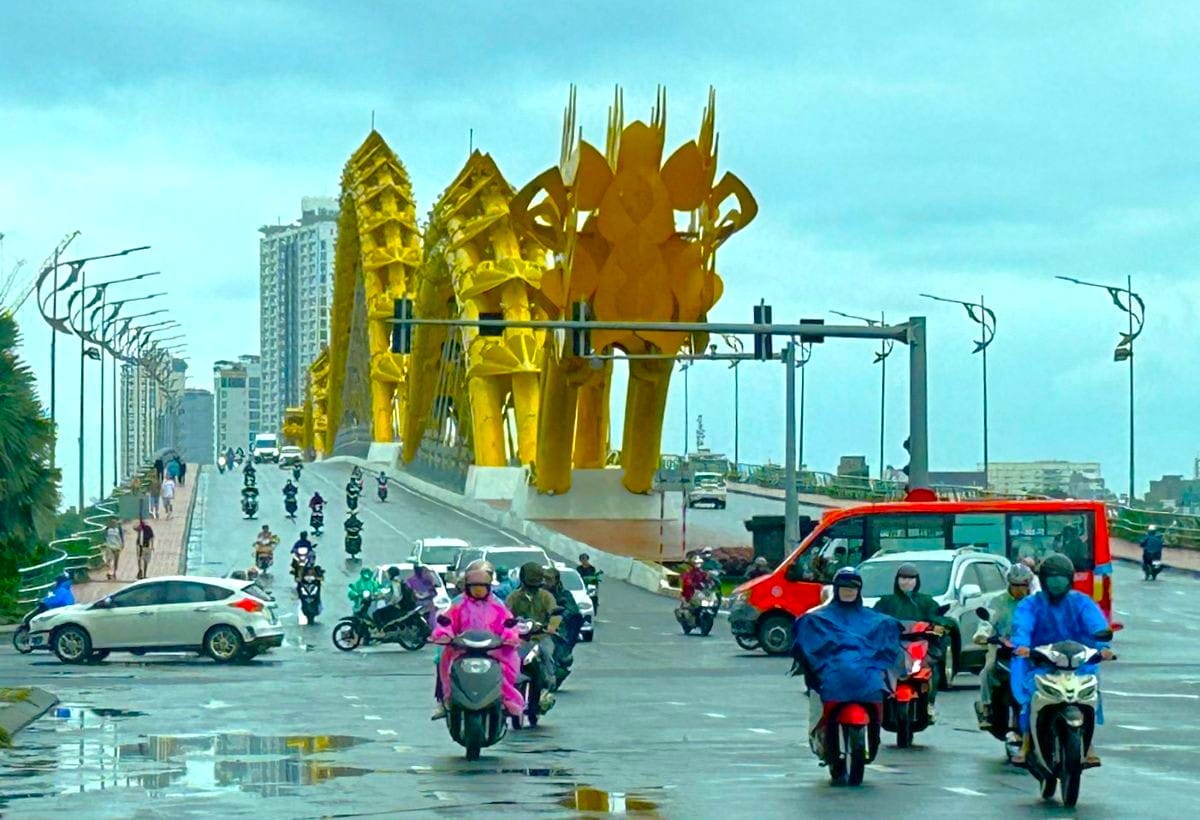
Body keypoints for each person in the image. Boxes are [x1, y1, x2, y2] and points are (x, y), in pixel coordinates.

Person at [1011, 553, 1114, 767]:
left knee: (1092, 691)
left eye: (1061, 579)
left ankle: (1089, 742)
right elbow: (1022, 626)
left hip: (1078, 663)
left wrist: (1103, 647)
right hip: (1042, 662)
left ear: (1069, 580)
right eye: (1052, 579)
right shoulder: (1031, 604)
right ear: (1044, 580)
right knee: (1031, 695)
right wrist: (1022, 646)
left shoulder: (1082, 602)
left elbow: (1096, 624)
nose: (1056, 585)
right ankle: (1027, 742)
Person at [792, 568, 904, 757]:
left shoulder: (875, 620)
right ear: (836, 589)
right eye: (844, 587)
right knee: (817, 701)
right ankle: (821, 739)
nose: (848, 591)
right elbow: (806, 645)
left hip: (866, 679)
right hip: (831, 679)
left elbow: (889, 640)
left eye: (853, 588)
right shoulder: (817, 618)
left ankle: (872, 736)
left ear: (859, 590)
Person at [431, 561, 524, 720]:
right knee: (443, 662)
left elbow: (509, 624)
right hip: (462, 649)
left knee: (508, 667)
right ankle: (445, 700)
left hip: (493, 650)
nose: (479, 591)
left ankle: (506, 699)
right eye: (475, 588)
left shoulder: (498, 606)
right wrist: (444, 634)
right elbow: (446, 623)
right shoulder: (458, 605)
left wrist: (509, 637)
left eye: (482, 587)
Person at [871, 563, 955, 714]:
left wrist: (940, 626)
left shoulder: (926, 601)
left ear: (917, 581)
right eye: (903, 578)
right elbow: (872, 618)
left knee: (932, 666)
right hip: (892, 645)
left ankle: (929, 702)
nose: (906, 582)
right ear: (897, 580)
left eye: (911, 578)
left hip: (919, 645)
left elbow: (938, 617)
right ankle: (877, 704)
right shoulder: (886, 602)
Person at [973, 563, 1034, 731]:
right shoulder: (998, 601)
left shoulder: (1035, 602)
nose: (1019, 589)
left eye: (1023, 585)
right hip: (1002, 648)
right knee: (988, 670)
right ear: (1009, 584)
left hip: (1029, 650)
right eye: (1015, 585)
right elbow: (987, 620)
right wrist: (983, 635)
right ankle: (986, 708)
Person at [505, 562, 561, 703]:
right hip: (520, 639)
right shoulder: (514, 597)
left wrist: (552, 626)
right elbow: (505, 614)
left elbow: (555, 613)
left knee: (547, 652)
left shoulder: (546, 596)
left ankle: (550, 680)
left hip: (540, 637)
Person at [406, 562, 439, 627]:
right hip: (418, 605)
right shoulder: (410, 581)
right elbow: (412, 594)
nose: (426, 573)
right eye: (425, 571)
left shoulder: (429, 580)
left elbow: (435, 591)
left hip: (429, 605)